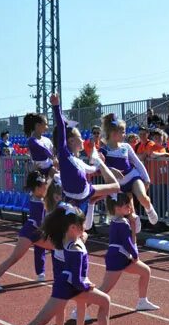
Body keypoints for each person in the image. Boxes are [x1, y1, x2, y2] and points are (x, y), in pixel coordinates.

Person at [3, 203, 127, 325]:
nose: (85, 227)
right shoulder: (74, 246)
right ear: (73, 227)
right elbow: (76, 279)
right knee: (40, 320)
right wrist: (86, 285)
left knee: (105, 300)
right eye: (82, 225)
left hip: (69, 285)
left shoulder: (69, 238)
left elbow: (81, 239)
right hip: (67, 287)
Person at [50, 94, 123, 231]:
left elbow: (91, 169)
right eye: (80, 137)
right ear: (71, 141)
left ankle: (91, 203)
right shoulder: (64, 155)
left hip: (86, 192)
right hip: (76, 195)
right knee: (78, 230)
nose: (83, 140)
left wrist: (99, 162)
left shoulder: (77, 160)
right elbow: (60, 127)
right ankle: (91, 203)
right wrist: (56, 106)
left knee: (116, 187)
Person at [0, 171, 54, 289]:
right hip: (30, 232)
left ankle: (61, 277)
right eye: (44, 186)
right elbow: (39, 224)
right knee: (14, 258)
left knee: (57, 247)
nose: (46, 188)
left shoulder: (37, 197)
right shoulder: (39, 202)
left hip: (34, 232)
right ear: (37, 188)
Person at [95, 192, 159, 314]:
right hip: (117, 258)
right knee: (105, 288)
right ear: (117, 208)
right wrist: (135, 255)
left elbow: (129, 240)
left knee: (145, 271)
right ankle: (79, 310)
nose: (129, 208)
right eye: (126, 206)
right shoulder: (122, 223)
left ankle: (142, 301)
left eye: (129, 205)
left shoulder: (119, 221)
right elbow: (127, 242)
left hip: (123, 257)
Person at [100, 113, 160, 225]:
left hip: (132, 177)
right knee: (128, 212)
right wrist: (111, 169)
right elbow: (97, 167)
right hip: (119, 185)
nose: (125, 134)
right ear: (113, 133)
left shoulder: (126, 147)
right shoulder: (104, 150)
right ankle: (132, 230)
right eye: (122, 132)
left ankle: (149, 209)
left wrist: (146, 179)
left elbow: (137, 163)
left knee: (143, 198)